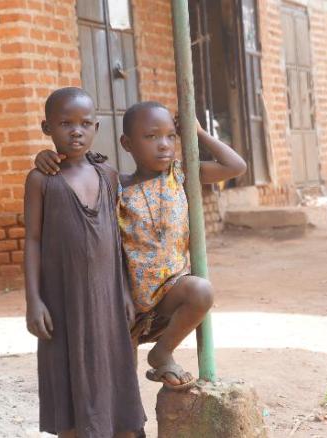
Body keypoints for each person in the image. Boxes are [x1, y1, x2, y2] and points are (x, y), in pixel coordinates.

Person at [34, 101, 247, 390]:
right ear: (127, 144)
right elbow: (76, 170)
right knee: (123, 382)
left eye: (170, 136)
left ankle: (162, 353)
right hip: (126, 299)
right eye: (151, 137)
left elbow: (235, 166)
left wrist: (197, 133)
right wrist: (46, 158)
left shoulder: (180, 175)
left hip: (171, 291)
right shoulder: (114, 185)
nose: (164, 145)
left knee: (201, 291)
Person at [24, 87, 146, 437]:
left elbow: (117, 239)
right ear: (47, 128)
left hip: (107, 298)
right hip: (61, 301)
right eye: (65, 124)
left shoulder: (107, 175)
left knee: (113, 372)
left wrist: (125, 291)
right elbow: (32, 240)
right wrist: (33, 301)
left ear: (96, 127)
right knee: (68, 380)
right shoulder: (41, 180)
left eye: (85, 124)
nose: (76, 131)